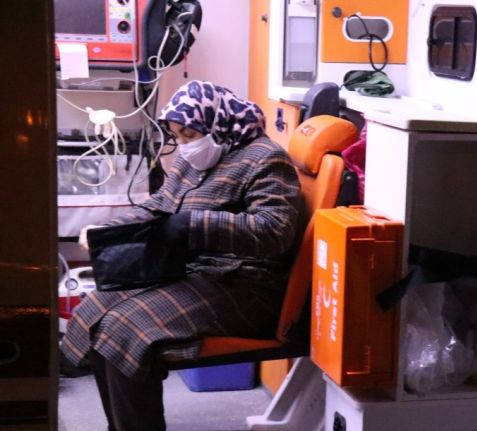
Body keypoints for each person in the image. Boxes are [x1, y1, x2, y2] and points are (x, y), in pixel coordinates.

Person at [61, 80, 302, 431]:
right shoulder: (194, 159)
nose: (186, 144)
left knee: (125, 327)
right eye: (178, 136)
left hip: (248, 286)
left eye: (190, 134)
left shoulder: (266, 158)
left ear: (217, 122)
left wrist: (193, 224)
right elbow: (160, 205)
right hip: (196, 273)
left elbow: (274, 231)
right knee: (96, 308)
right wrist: (107, 230)